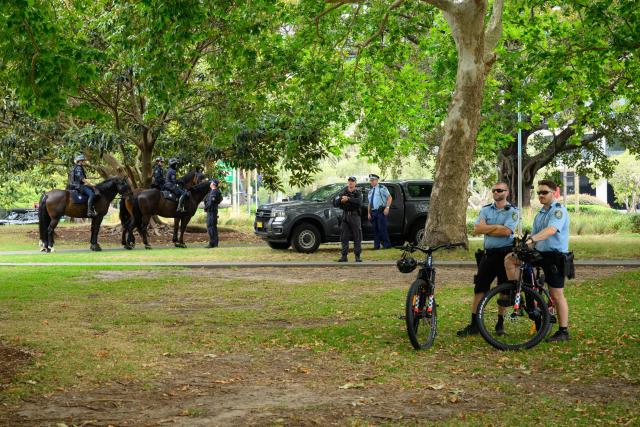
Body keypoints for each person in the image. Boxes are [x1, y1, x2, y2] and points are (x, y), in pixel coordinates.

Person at [505, 179, 571, 342]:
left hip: (555, 257)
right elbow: (533, 239)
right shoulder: (540, 213)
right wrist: (523, 247)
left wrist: (532, 239)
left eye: (544, 192)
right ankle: (518, 295)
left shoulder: (558, 211)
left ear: (554, 193)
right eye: (539, 192)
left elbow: (550, 230)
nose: (540, 195)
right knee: (510, 260)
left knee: (557, 295)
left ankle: (563, 331)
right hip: (540, 254)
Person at [457, 181, 518, 337]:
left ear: (507, 192)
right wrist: (497, 227)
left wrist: (488, 228)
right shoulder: (485, 210)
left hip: (506, 255)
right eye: (494, 190)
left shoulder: (512, 211)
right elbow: (477, 229)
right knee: (480, 288)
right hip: (488, 255)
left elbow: (507, 232)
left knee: (504, 290)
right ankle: (474, 325)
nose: (496, 192)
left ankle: (500, 324)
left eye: (500, 190)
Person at [334, 176, 363, 262]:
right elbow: (335, 203)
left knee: (357, 236)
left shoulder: (358, 192)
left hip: (355, 216)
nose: (350, 183)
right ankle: (344, 256)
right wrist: (341, 200)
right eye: (349, 181)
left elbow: (359, 202)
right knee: (344, 237)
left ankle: (357, 256)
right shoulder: (343, 192)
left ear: (355, 183)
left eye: (352, 181)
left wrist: (349, 199)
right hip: (345, 216)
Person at [367, 173, 392, 250]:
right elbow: (369, 203)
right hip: (373, 212)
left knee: (382, 229)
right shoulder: (370, 191)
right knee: (375, 229)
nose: (372, 182)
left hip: (381, 211)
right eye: (371, 180)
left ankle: (387, 245)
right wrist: (368, 213)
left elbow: (390, 198)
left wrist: (387, 208)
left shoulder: (382, 188)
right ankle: (376, 246)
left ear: (377, 180)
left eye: (373, 180)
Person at [204, 179, 223, 248]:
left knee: (210, 227)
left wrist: (206, 208)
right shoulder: (215, 191)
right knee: (213, 227)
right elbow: (221, 199)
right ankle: (214, 243)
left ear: (213, 184)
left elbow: (211, 202)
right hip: (213, 211)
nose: (210, 183)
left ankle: (212, 243)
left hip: (211, 211)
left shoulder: (214, 192)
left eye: (211, 182)